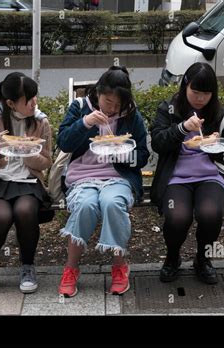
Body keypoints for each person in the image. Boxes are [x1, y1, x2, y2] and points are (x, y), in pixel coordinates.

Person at [57, 66, 150, 297]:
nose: (112, 109)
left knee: (111, 203)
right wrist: (85, 122)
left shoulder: (131, 115)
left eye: (118, 105)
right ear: (97, 93)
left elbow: (143, 157)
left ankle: (119, 266)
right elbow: (64, 143)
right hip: (83, 176)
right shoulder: (80, 108)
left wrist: (124, 155)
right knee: (86, 205)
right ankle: (71, 268)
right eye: (108, 102)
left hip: (118, 178)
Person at [150, 62, 224, 284]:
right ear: (185, 87)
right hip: (176, 176)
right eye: (195, 92)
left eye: (206, 94)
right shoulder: (169, 109)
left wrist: (218, 146)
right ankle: (172, 258)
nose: (200, 98)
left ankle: (203, 259)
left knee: (210, 213)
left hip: (210, 176)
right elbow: (158, 144)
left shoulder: (221, 115)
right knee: (177, 216)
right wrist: (182, 129)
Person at [0, 72, 53, 294]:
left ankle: (27, 266)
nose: (34, 102)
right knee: (2, 216)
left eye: (35, 96)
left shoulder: (40, 120)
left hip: (28, 180)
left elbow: (46, 161)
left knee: (25, 211)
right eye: (28, 99)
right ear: (10, 102)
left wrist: (28, 152)